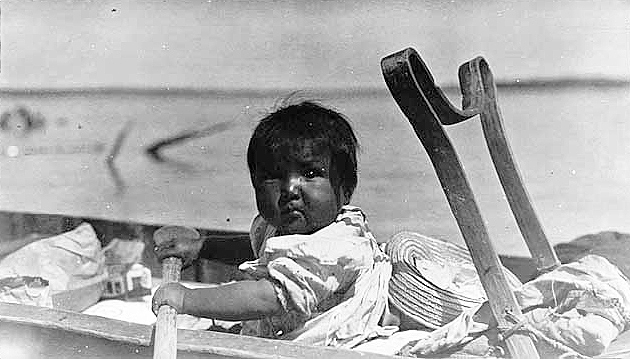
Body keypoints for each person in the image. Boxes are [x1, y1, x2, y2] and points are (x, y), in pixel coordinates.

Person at [152, 100, 395, 348]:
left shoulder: (337, 249)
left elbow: (267, 297)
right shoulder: (284, 228)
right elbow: (259, 248)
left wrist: (185, 299)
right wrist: (203, 247)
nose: (289, 189)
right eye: (273, 176)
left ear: (345, 190)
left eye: (310, 174)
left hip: (325, 350)